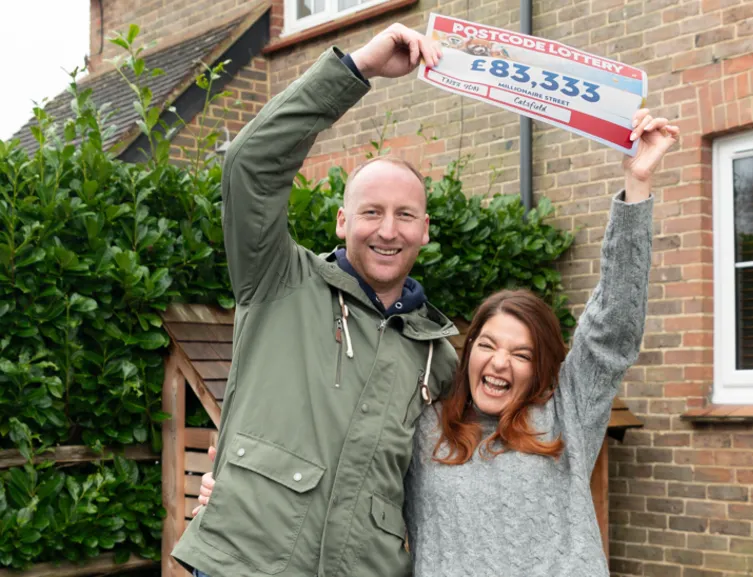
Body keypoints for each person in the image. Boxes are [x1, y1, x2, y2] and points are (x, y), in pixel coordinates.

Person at [197, 105, 680, 575]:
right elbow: (353, 465)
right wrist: (247, 493)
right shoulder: (430, 423)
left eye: (522, 353)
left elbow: (611, 331)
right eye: (487, 345)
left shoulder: (566, 415)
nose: (500, 363)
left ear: (542, 367)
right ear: (467, 357)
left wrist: (637, 185)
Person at [171, 24, 461, 577]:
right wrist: (360, 67)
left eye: (405, 215)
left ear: (425, 230)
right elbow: (251, 164)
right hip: (244, 564)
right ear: (342, 221)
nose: (388, 230)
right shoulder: (279, 279)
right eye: (371, 212)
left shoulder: (438, 356)